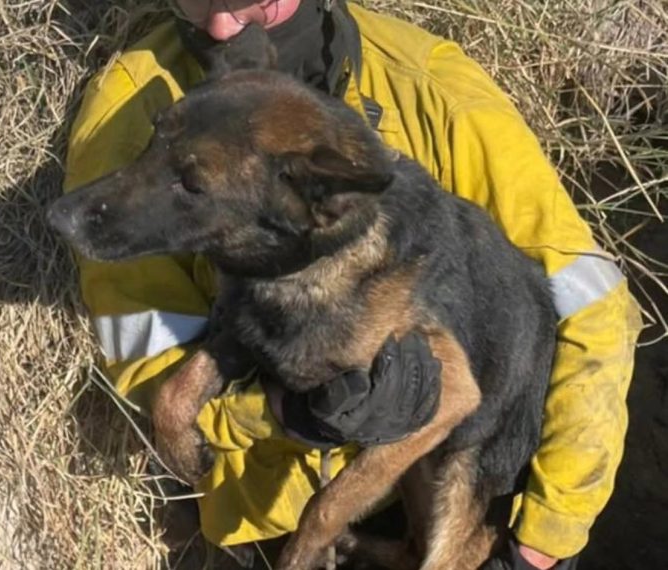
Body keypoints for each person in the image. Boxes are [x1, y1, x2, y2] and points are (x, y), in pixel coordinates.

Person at [62, 1, 642, 568]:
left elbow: (590, 302)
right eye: (191, 0)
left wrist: (545, 534)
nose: (216, 22)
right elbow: (148, 358)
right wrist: (286, 417)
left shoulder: (427, 84)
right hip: (279, 522)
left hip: (470, 507)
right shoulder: (135, 100)